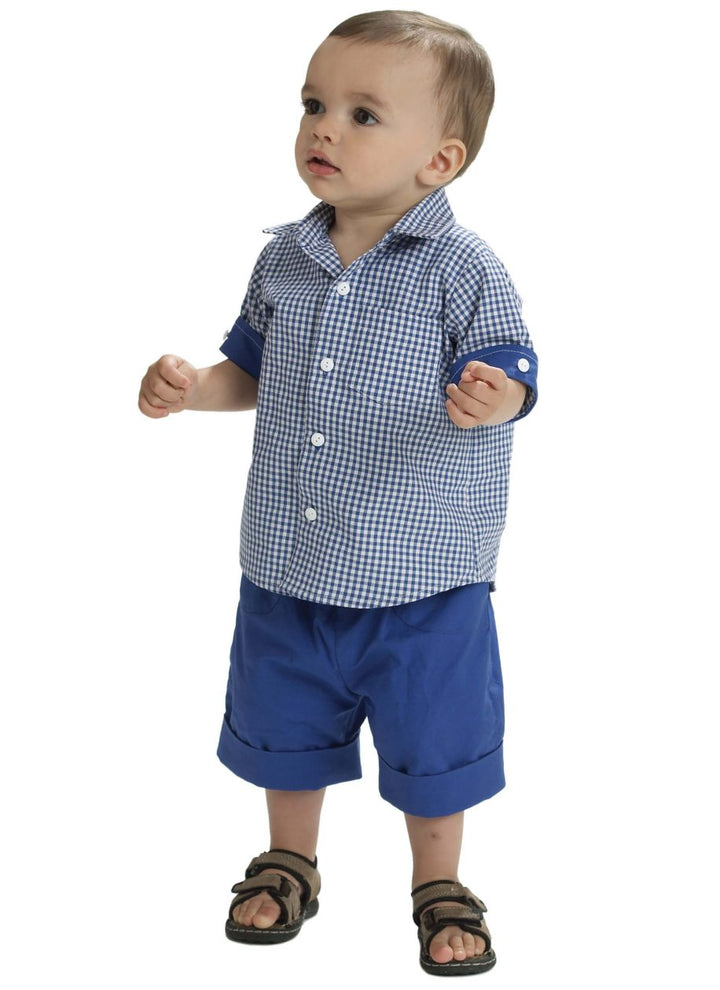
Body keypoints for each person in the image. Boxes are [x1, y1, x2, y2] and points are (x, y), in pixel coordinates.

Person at [138, 9, 538, 977]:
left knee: (434, 744)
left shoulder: (463, 268)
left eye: (363, 114)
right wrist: (196, 390)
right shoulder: (285, 259)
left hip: (423, 579)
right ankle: (290, 859)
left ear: (439, 160)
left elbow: (515, 373)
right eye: (315, 105)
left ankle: (438, 884)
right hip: (290, 562)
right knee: (284, 726)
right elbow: (252, 369)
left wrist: (493, 398)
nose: (323, 128)